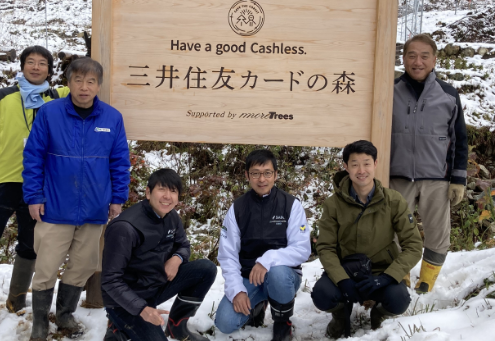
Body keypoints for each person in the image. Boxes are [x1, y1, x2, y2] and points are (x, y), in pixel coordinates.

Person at [22, 57, 130, 341]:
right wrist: (34, 195)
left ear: (99, 85)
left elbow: (119, 161)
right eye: (78, 80)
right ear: (68, 83)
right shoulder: (49, 113)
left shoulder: (111, 118)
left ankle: (66, 314)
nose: (84, 87)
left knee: (83, 265)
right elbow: (33, 156)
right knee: (46, 267)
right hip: (55, 206)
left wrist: (117, 197)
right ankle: (40, 322)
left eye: (91, 81)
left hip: (95, 207)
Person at [0, 45, 70, 328]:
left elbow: (86, 83)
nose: (36, 67)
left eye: (42, 63)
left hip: (39, 185)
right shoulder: (2, 97)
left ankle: (17, 299)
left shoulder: (58, 97)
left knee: (29, 246)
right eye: (31, 62)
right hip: (2, 180)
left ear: (50, 69)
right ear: (22, 66)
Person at [311, 140, 422, 337]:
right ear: (346, 167)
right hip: (346, 270)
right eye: (354, 164)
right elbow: (326, 247)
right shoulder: (333, 204)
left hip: (380, 272)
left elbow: (413, 246)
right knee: (322, 295)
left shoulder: (393, 200)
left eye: (366, 163)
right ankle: (340, 317)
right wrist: (342, 279)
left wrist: (387, 277)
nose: (361, 170)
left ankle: (378, 315)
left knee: (399, 300)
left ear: (375, 164)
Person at [390, 33, 468, 293]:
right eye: (411, 55)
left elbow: (459, 140)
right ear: (403, 58)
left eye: (424, 56)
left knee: (438, 234)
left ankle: (426, 284)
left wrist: (458, 179)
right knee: (393, 234)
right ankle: (400, 280)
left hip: (436, 178)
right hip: (397, 177)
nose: (417, 61)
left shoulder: (448, 94)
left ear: (434, 60)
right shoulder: (389, 90)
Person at [101, 168, 217, 341]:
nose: (167, 196)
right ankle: (117, 325)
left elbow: (183, 245)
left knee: (206, 269)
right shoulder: (125, 228)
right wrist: (142, 309)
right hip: (126, 299)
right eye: (162, 189)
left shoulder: (171, 217)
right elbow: (110, 280)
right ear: (148, 192)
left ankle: (177, 326)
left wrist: (176, 259)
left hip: (155, 284)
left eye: (173, 191)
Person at [214, 149, 311, 341]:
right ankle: (256, 305)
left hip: (283, 277)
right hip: (248, 278)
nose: (262, 179)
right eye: (255, 173)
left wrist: (267, 260)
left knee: (277, 273)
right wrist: (237, 291)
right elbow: (228, 255)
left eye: (267, 173)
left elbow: (302, 249)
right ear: (247, 175)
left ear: (275, 174)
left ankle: (283, 322)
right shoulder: (238, 208)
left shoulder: (290, 204)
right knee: (225, 323)